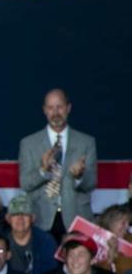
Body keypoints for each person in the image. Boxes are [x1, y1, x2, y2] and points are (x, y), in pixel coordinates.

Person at [18, 89, 98, 236]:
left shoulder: (86, 142)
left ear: (68, 108)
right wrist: (42, 170)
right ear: (44, 110)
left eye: (60, 107)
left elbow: (91, 183)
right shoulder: (29, 143)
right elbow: (25, 184)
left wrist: (79, 176)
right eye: (50, 108)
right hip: (41, 220)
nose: (55, 112)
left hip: (76, 219)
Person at [5, 194, 60, 274]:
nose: (20, 218)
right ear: (8, 218)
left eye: (25, 214)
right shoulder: (1, 242)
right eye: (15, 214)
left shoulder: (46, 241)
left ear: (33, 218)